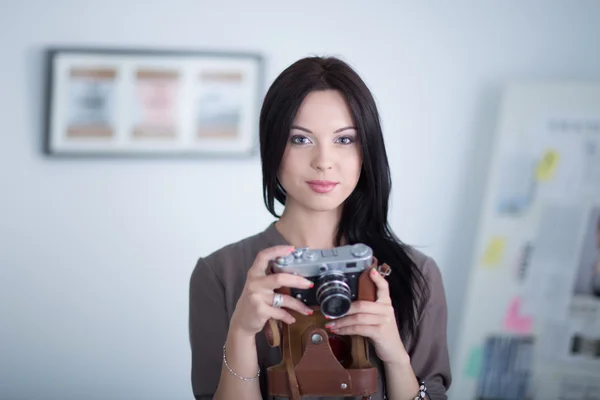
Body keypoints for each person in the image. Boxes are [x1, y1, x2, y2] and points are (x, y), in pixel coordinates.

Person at [189, 56, 452, 400]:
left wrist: (395, 356)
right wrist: (241, 333)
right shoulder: (219, 273)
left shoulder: (417, 273)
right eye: (300, 139)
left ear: (365, 151)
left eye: (344, 140)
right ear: (273, 148)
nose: (324, 161)